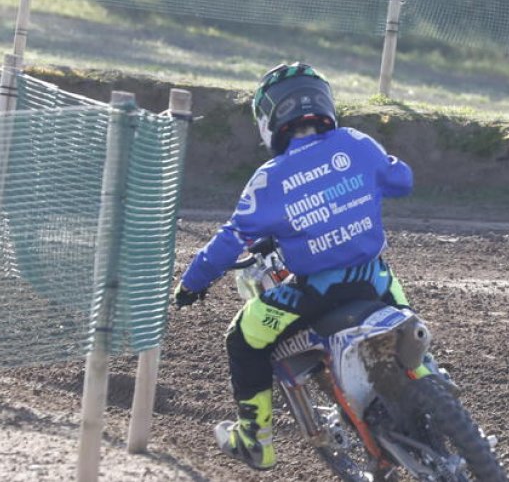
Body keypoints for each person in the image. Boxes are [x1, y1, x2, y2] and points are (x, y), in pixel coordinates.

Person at [173, 62, 415, 471]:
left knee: (242, 336)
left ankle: (255, 441)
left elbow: (230, 240)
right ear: (324, 102)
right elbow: (403, 181)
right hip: (374, 278)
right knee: (407, 320)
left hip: (315, 291)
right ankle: (430, 380)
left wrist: (192, 283)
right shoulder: (357, 141)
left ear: (270, 120)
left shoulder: (269, 178)